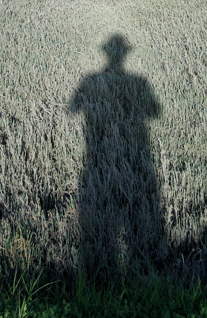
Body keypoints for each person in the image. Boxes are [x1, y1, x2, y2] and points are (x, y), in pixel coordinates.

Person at [69, 34, 164, 277]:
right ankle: (141, 269)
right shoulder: (139, 81)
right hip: (137, 145)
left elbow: (73, 109)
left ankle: (99, 274)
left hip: (95, 153)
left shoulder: (90, 79)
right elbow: (155, 112)